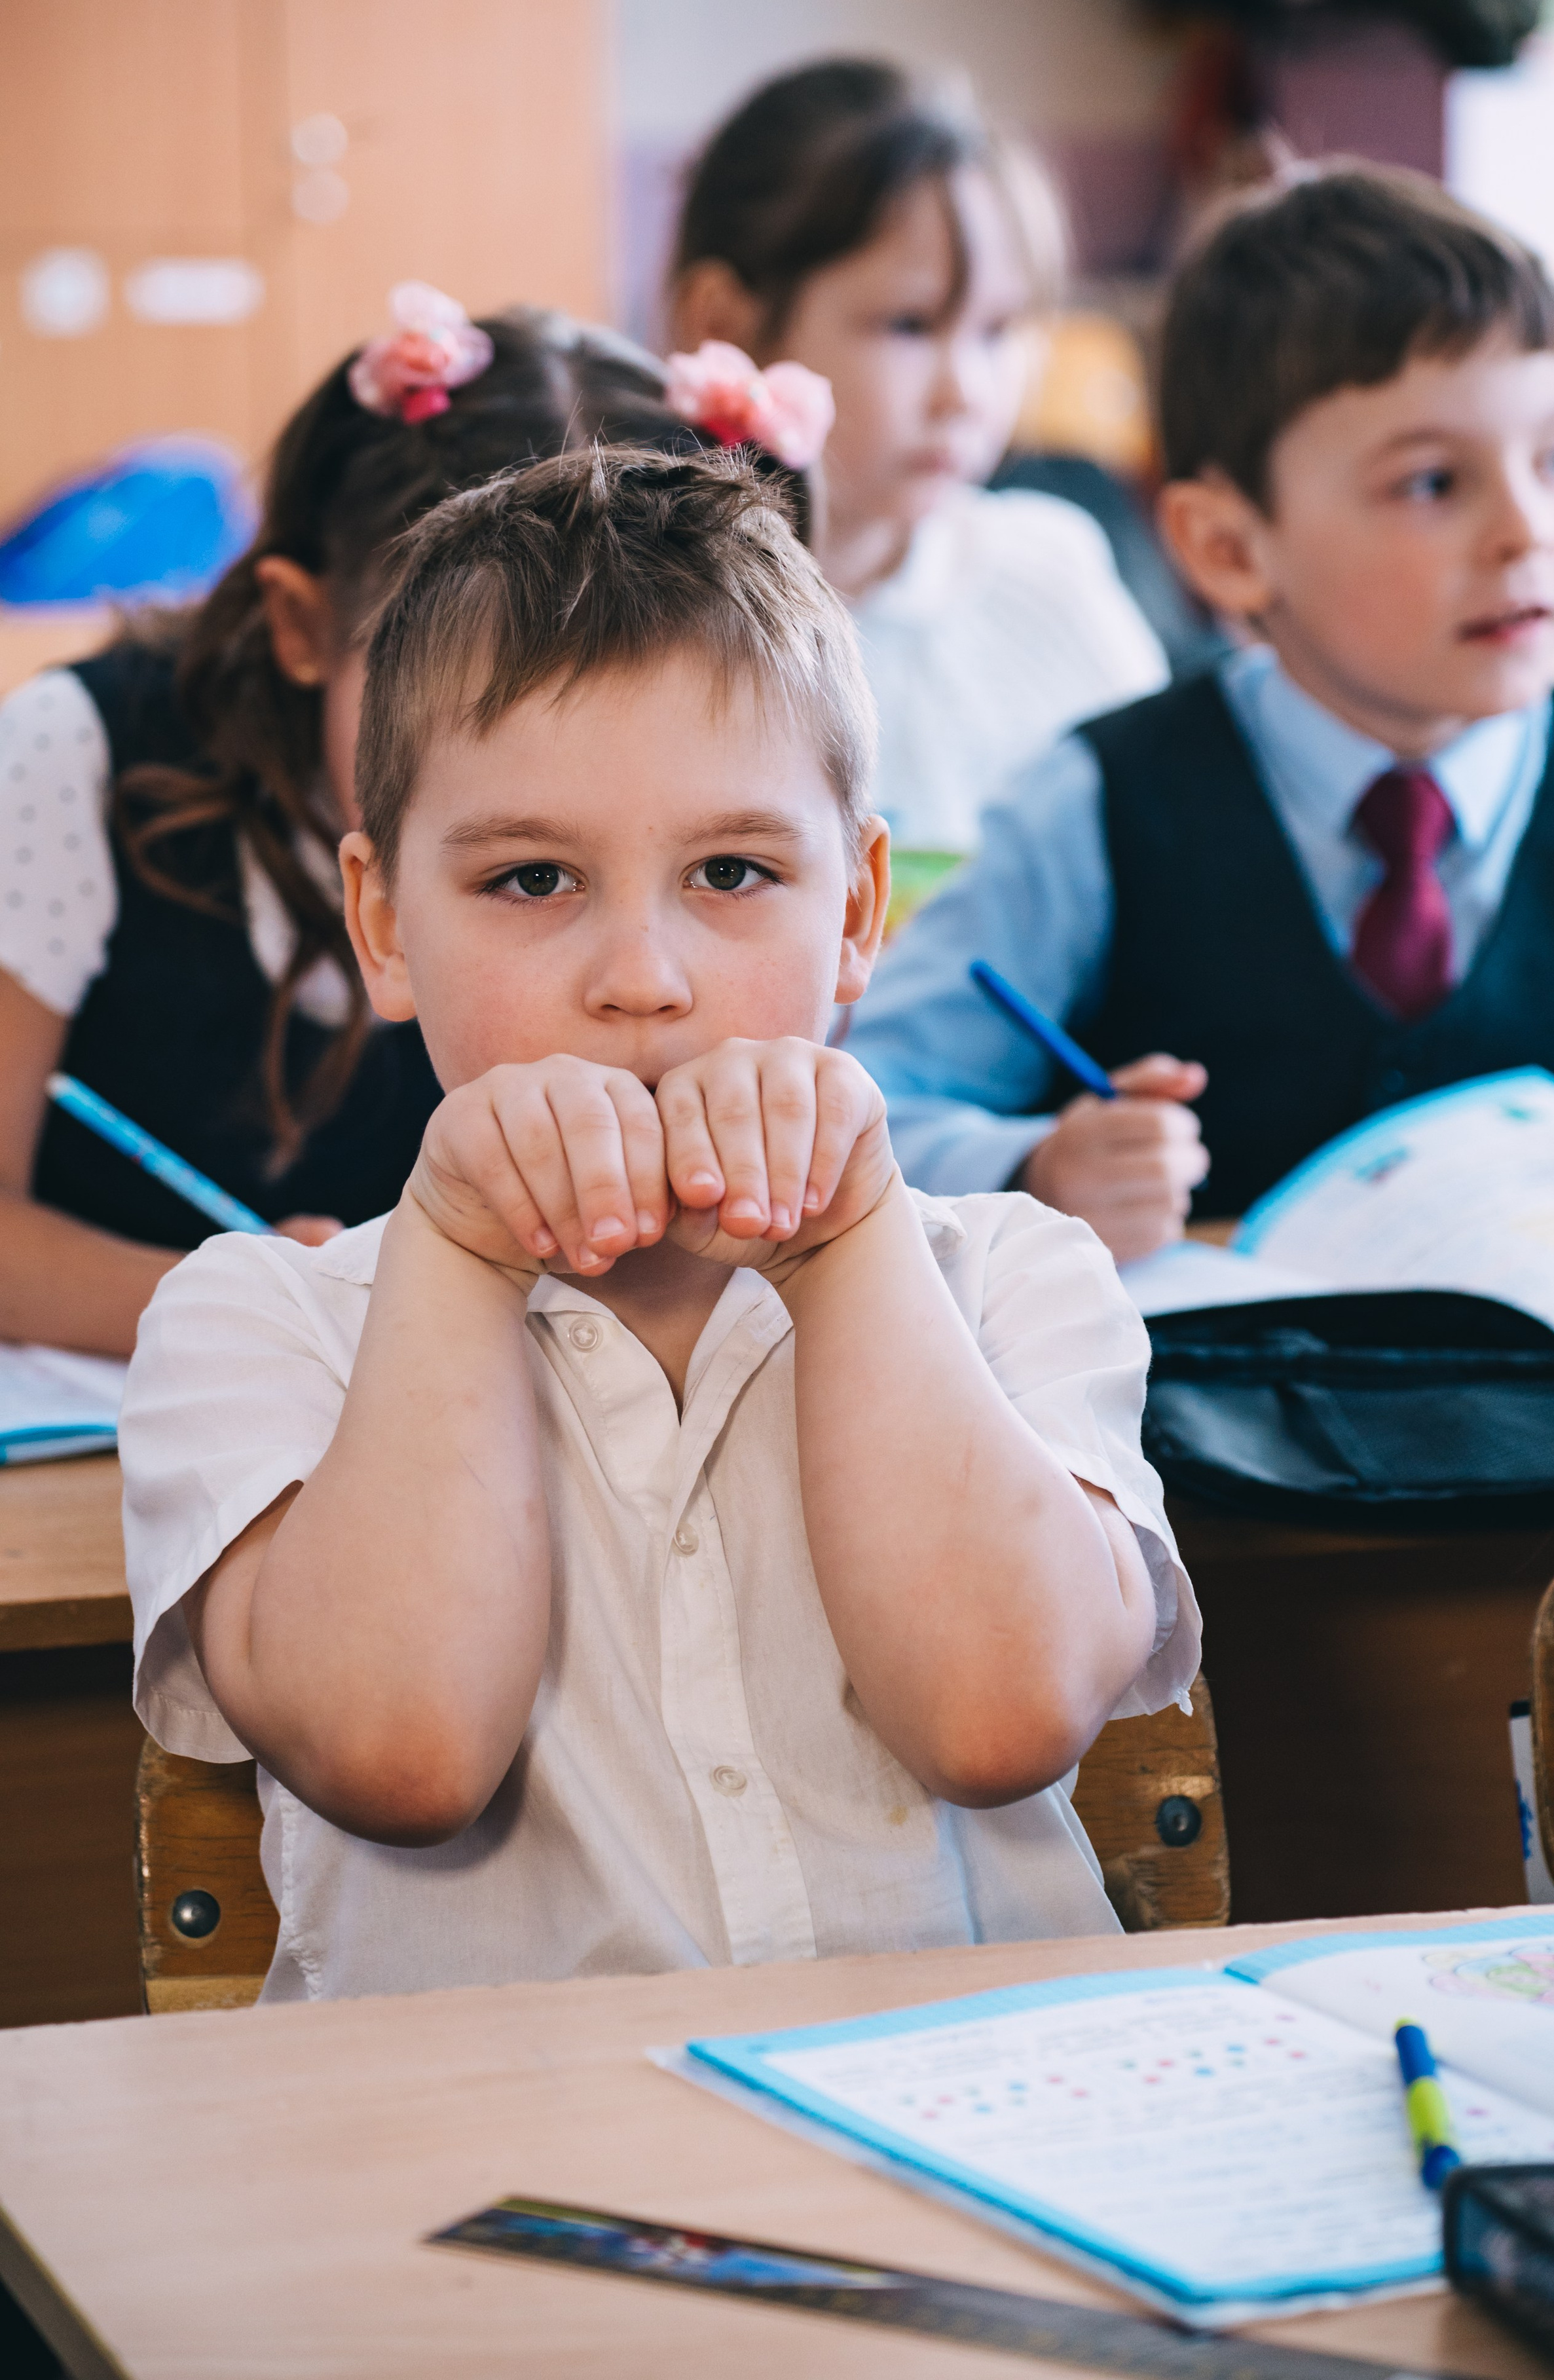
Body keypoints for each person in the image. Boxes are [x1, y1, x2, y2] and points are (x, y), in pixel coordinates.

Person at [119, 445, 1199, 2001]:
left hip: (968, 2140)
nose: (643, 975)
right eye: (532, 876)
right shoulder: (258, 1325)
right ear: (381, 923)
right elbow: (399, 1751)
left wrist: (842, 1245)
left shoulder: (1005, 1275)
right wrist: (454, 1245)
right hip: (461, 2182)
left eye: (734, 870)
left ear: (853, 913)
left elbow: (992, 1717)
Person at [845, 163, 1554, 1257]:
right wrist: (1036, 1166)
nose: (1529, 529)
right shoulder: (1097, 800)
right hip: (1203, 1414)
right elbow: (870, 1107)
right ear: (1228, 547)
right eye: (1433, 483)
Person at [0, 285, 826, 1356]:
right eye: (430, 659)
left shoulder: (743, 855)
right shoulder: (81, 754)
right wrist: (256, 1304)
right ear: (302, 623)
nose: (554, 748)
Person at [667, 56, 1170, 854]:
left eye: (999, 331)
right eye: (908, 325)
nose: (966, 392)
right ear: (724, 323)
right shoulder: (636, 610)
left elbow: (1167, 856)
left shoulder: (1047, 577)